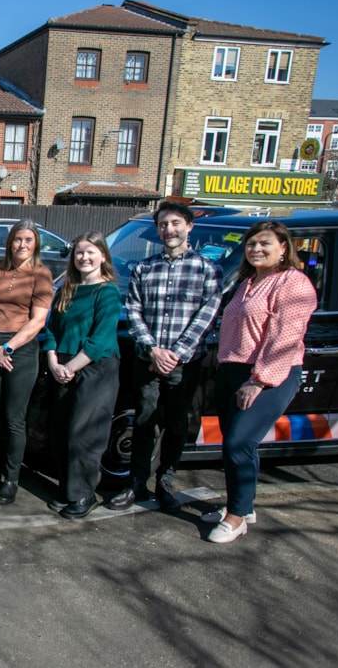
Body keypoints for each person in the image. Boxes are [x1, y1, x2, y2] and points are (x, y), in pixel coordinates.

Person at [204, 221, 315, 544]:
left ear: (284, 247)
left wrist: (259, 380)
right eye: (251, 244)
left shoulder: (293, 283)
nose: (256, 249)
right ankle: (240, 505)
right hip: (233, 370)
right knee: (234, 444)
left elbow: (285, 337)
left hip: (268, 375)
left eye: (265, 243)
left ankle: (237, 519)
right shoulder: (247, 282)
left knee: (240, 442)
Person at [108, 201, 222, 512]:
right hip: (149, 359)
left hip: (185, 363)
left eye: (174, 223)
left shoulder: (207, 270)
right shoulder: (144, 269)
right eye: (162, 224)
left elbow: (207, 316)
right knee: (144, 421)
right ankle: (136, 483)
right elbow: (133, 311)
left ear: (188, 226)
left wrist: (176, 353)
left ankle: (165, 482)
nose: (168, 229)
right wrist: (153, 350)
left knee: (175, 424)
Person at [0, 220, 54, 505]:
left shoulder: (41, 275)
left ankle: (11, 478)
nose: (22, 245)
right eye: (18, 239)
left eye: (28, 241)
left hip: (21, 350)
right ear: (10, 242)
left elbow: (38, 321)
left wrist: (7, 347)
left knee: (13, 420)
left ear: (36, 245)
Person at [43, 232, 122, 520]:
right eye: (79, 253)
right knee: (60, 432)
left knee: (83, 434)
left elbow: (100, 339)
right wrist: (53, 360)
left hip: (93, 367)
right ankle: (68, 489)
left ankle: (84, 494)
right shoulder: (67, 288)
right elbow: (51, 328)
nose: (84, 258)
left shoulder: (108, 292)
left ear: (102, 255)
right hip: (62, 364)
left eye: (90, 252)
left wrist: (71, 367)